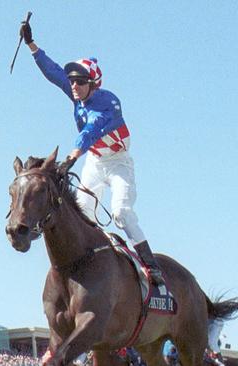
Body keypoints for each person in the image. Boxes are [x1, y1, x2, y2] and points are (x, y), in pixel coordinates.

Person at [19, 21, 164, 285]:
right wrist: (31, 44)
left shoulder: (107, 104)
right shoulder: (78, 93)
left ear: (93, 84)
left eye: (80, 82)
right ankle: (87, 259)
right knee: (80, 210)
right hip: (96, 162)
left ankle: (150, 264)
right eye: (72, 81)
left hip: (118, 163)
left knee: (120, 212)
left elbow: (90, 132)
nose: (73, 86)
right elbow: (53, 72)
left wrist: (71, 158)